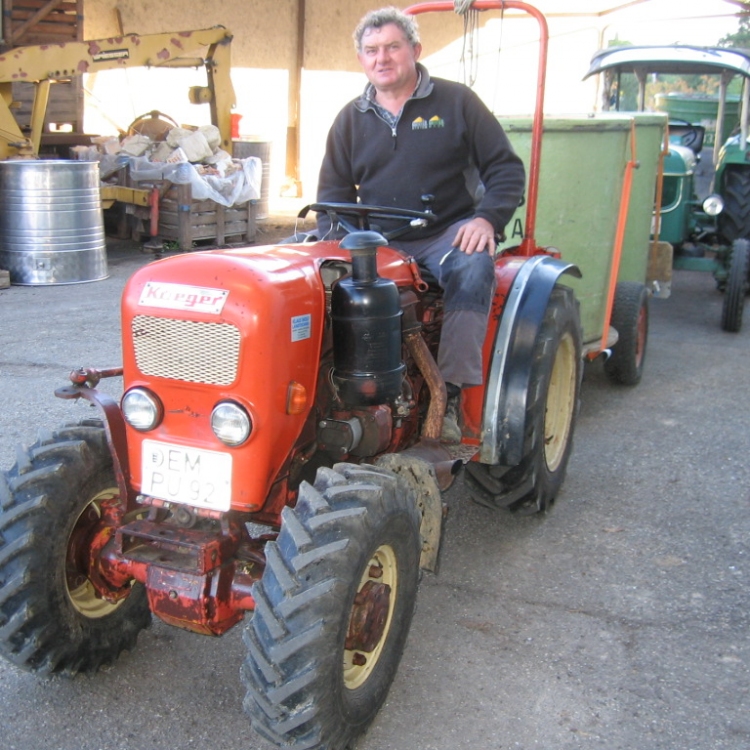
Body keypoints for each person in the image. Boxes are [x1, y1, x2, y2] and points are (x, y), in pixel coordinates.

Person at [316, 6, 526, 443]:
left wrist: (487, 218)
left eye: (393, 46)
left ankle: (446, 394)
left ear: (415, 50)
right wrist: (338, 242)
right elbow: (334, 196)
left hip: (445, 233)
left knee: (473, 267)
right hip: (376, 241)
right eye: (372, 50)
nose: (383, 58)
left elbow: (506, 169)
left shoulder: (457, 102)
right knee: (305, 277)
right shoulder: (349, 118)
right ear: (361, 60)